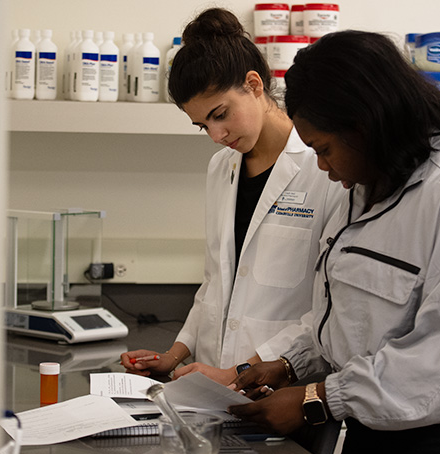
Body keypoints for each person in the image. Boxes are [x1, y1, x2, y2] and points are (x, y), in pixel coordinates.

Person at [229, 31, 440, 454]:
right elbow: (351, 318)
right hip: (376, 434)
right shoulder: (365, 187)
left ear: (366, 125)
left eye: (324, 149)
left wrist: (318, 398)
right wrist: (290, 365)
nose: (322, 167)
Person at [120, 9, 343, 385]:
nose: (216, 135)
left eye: (220, 114)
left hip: (283, 387)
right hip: (212, 386)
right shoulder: (221, 168)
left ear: (254, 85)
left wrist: (239, 372)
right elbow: (215, 282)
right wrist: (173, 355)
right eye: (203, 125)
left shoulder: (324, 169)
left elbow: (328, 308)